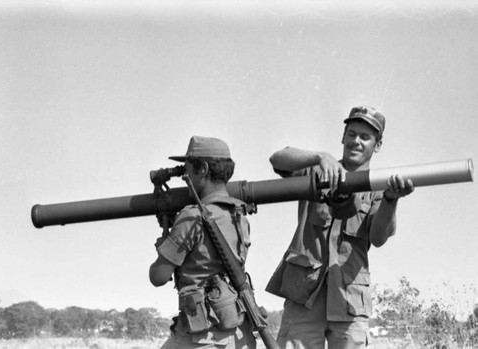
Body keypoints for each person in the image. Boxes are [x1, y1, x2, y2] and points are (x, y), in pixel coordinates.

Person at [265, 106, 415, 349]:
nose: (356, 141)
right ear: (343, 137)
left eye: (365, 137)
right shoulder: (318, 171)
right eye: (352, 134)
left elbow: (378, 238)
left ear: (377, 145)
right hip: (304, 297)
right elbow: (278, 159)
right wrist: (319, 156)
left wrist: (390, 199)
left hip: (349, 302)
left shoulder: (378, 186)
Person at [149, 135, 257, 349]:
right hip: (238, 334)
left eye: (187, 169)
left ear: (203, 169)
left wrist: (165, 242)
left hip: (202, 337)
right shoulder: (239, 213)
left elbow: (158, 276)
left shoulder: (193, 217)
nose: (183, 176)